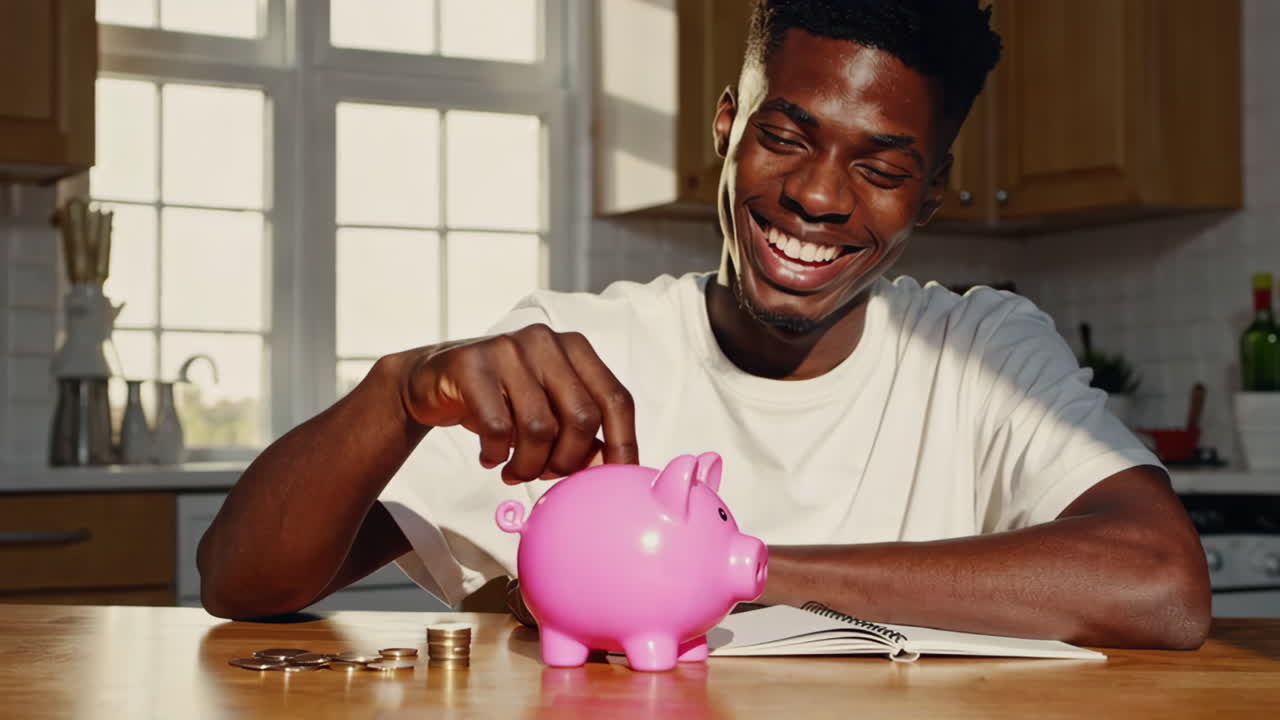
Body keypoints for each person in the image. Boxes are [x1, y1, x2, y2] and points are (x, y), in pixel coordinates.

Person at [198, 0, 1210, 649]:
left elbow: (1162, 586)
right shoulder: (575, 350)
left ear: (932, 195)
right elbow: (243, 585)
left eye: (880, 167)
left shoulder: (982, 350)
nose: (817, 197)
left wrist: (735, 572)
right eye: (784, 136)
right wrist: (401, 391)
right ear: (725, 128)